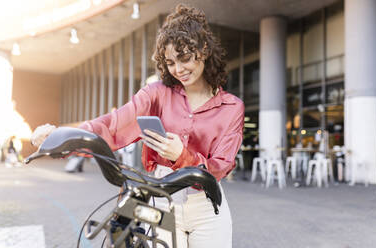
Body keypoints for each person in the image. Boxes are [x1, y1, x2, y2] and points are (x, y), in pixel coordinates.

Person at [31, 4, 244, 248]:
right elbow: (114, 124)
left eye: (184, 58)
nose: (178, 70)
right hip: (162, 200)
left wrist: (182, 156)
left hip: (207, 207)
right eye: (171, 62)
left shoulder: (231, 107)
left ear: (204, 50)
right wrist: (62, 136)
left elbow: (220, 167)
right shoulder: (158, 94)